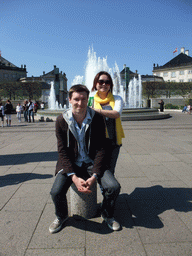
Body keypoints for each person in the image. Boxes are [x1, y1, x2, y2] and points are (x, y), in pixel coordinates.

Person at [49, 84, 121, 234]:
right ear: (69, 100)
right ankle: (61, 216)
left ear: (88, 100)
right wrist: (74, 177)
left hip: (92, 162)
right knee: (56, 192)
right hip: (71, 163)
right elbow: (62, 152)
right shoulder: (61, 120)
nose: (80, 103)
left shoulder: (97, 118)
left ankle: (107, 214)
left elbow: (102, 148)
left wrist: (95, 175)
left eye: (83, 99)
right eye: (76, 99)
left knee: (113, 186)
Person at [91, 71, 125, 175]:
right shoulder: (90, 99)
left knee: (110, 170)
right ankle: (109, 189)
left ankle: (109, 190)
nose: (104, 84)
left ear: (111, 85)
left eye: (107, 82)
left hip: (113, 141)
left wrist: (96, 110)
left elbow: (116, 113)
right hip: (96, 142)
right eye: (101, 81)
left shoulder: (117, 98)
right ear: (95, 83)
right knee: (99, 170)